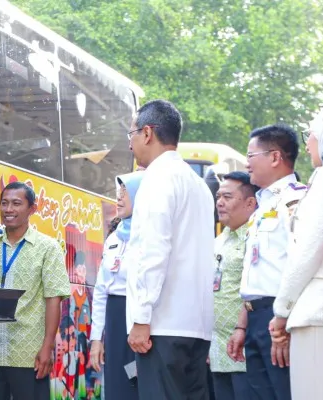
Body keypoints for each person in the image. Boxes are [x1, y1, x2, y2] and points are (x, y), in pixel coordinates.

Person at [124, 99, 215, 400]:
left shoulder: (158, 179)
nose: (130, 144)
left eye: (132, 134)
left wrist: (141, 318)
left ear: (147, 133)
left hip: (161, 325)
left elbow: (152, 251)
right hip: (197, 327)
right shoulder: (198, 184)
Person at [231, 124, 305, 400]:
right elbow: (254, 272)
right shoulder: (261, 205)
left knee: (283, 392)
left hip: (279, 318)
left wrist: (283, 321)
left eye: (250, 156)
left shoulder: (296, 199)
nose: (246, 163)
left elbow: (300, 264)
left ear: (274, 157)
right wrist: (242, 325)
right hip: (255, 316)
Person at [0, 181, 71, 400]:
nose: (8, 209)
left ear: (32, 208)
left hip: (27, 353)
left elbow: (53, 299)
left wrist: (47, 347)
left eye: (16, 203)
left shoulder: (47, 247)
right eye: (4, 203)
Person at [269, 107, 323, 399]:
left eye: (311, 135)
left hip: (319, 313)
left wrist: (281, 312)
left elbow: (306, 251)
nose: (307, 144)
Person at [89, 171, 144, 400]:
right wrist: (96, 339)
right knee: (116, 383)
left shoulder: (149, 236)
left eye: (125, 192)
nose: (119, 198)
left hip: (139, 318)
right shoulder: (114, 238)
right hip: (114, 318)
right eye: (118, 192)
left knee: (136, 381)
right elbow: (101, 291)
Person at [210, 171, 257, 400]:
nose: (219, 202)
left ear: (250, 203)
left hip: (245, 351)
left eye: (227, 197)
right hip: (218, 351)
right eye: (218, 196)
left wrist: (241, 328)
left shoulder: (254, 238)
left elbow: (254, 289)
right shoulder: (219, 240)